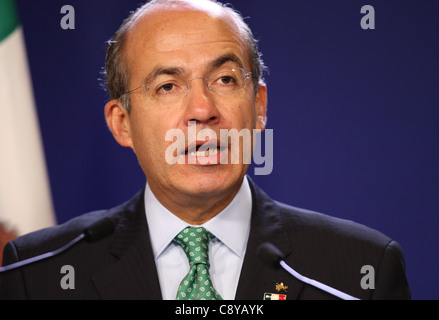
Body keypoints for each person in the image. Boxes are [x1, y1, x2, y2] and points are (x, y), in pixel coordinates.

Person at [0, 0, 410, 300]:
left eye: (225, 80)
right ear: (122, 123)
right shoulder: (37, 274)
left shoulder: (361, 270)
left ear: (259, 106)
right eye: (167, 86)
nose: (203, 110)